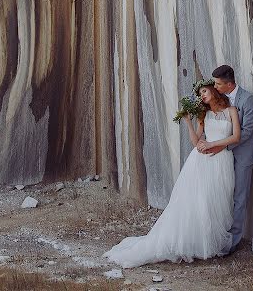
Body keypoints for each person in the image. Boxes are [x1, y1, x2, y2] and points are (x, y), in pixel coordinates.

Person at [103, 82, 241, 267]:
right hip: (201, 161)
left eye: (205, 91)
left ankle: (210, 242)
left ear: (214, 90)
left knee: (218, 201)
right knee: (198, 201)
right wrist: (188, 123)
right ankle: (196, 243)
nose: (202, 96)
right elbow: (196, 141)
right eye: (200, 94)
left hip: (222, 158)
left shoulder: (231, 110)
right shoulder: (204, 114)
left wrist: (213, 145)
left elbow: (236, 137)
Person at [200, 65, 253, 255]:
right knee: (220, 196)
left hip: (242, 155)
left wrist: (222, 147)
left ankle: (232, 243)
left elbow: (247, 131)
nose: (214, 87)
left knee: (239, 198)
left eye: (218, 84)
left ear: (229, 84)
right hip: (221, 157)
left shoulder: (248, 100)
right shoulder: (219, 98)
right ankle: (218, 236)